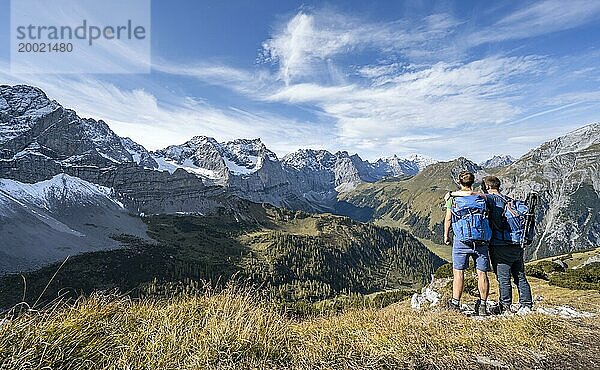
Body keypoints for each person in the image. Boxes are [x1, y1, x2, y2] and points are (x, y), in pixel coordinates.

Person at [448, 176, 533, 314]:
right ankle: (527, 304)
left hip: (500, 244)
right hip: (517, 242)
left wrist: (451, 194)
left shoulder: (489, 198)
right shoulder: (508, 199)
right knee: (520, 275)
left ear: (487, 187)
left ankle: (505, 306)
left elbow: (470, 193)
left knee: (503, 277)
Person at [443, 171, 491, 315]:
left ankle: (455, 304)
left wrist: (446, 235)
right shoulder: (481, 198)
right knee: (482, 274)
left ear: (459, 182)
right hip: (481, 240)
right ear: (473, 182)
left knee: (458, 273)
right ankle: (483, 305)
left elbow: (448, 219)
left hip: (461, 241)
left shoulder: (453, 199)